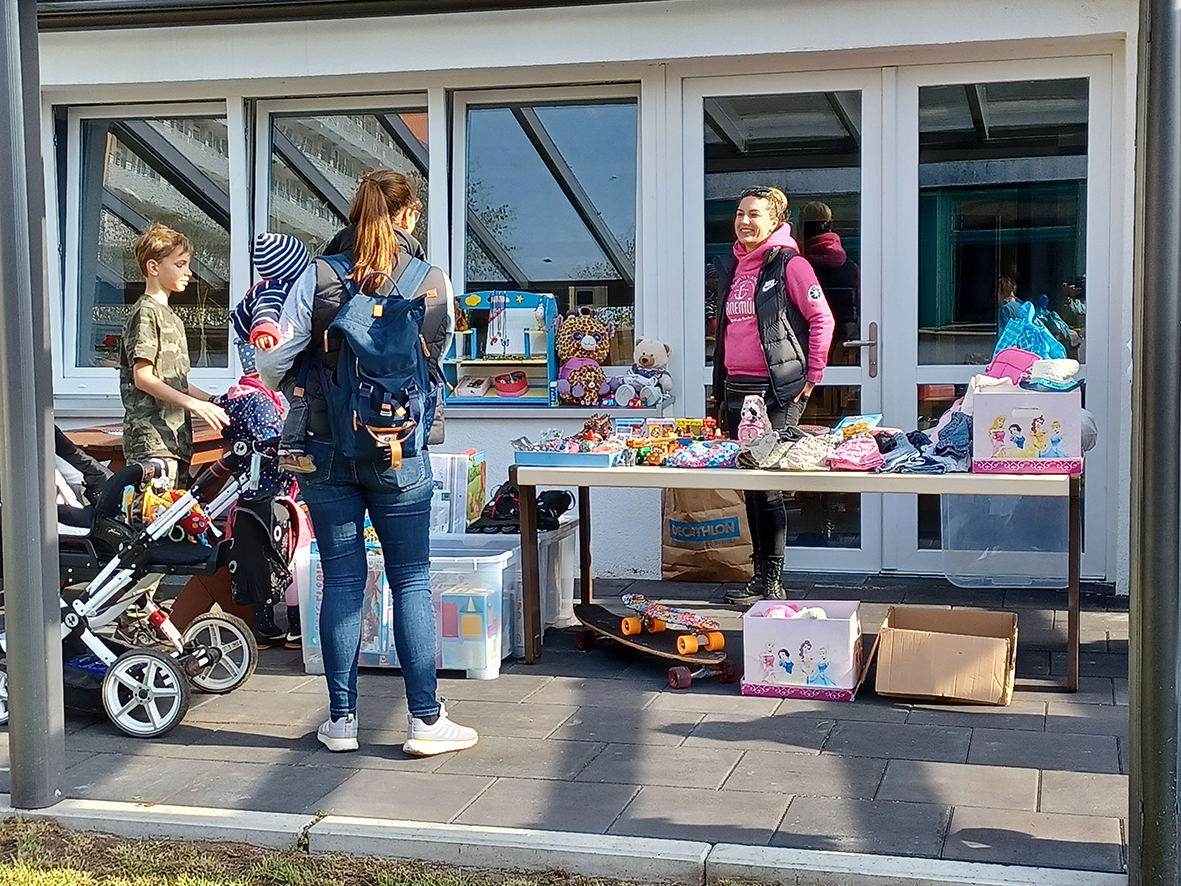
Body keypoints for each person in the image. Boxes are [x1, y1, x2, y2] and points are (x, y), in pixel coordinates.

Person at [257, 170, 476, 757]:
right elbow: (438, 355)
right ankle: (426, 722)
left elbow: (277, 363)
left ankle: (342, 721)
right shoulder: (432, 282)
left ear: (355, 214)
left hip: (326, 452)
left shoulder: (318, 277)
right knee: (410, 581)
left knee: (344, 583)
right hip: (401, 452)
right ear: (408, 217)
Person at [711, 186, 835, 606]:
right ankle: (757, 576)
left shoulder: (790, 264)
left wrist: (813, 374)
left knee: (769, 485)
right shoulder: (734, 266)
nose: (745, 221)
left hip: (777, 390)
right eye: (740, 213)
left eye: (755, 214)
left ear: (775, 220)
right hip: (736, 389)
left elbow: (823, 319)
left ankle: (774, 582)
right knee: (750, 483)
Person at [118, 223, 229, 482]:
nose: (188, 272)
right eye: (180, 264)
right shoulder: (145, 313)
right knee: (153, 520)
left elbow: (175, 381)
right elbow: (143, 378)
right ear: (153, 267)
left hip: (176, 441)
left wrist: (215, 402)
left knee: (177, 521)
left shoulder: (172, 318)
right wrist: (194, 405)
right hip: (151, 443)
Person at [230, 232, 315, 475]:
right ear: (292, 267)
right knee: (301, 401)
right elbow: (266, 311)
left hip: (274, 357)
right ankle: (291, 450)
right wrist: (265, 331)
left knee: (298, 400)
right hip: (270, 351)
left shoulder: (278, 286)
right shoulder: (275, 289)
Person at [800, 202, 860, 359]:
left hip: (805, 343)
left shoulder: (794, 264)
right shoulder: (852, 267)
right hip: (845, 344)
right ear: (830, 225)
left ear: (801, 226)